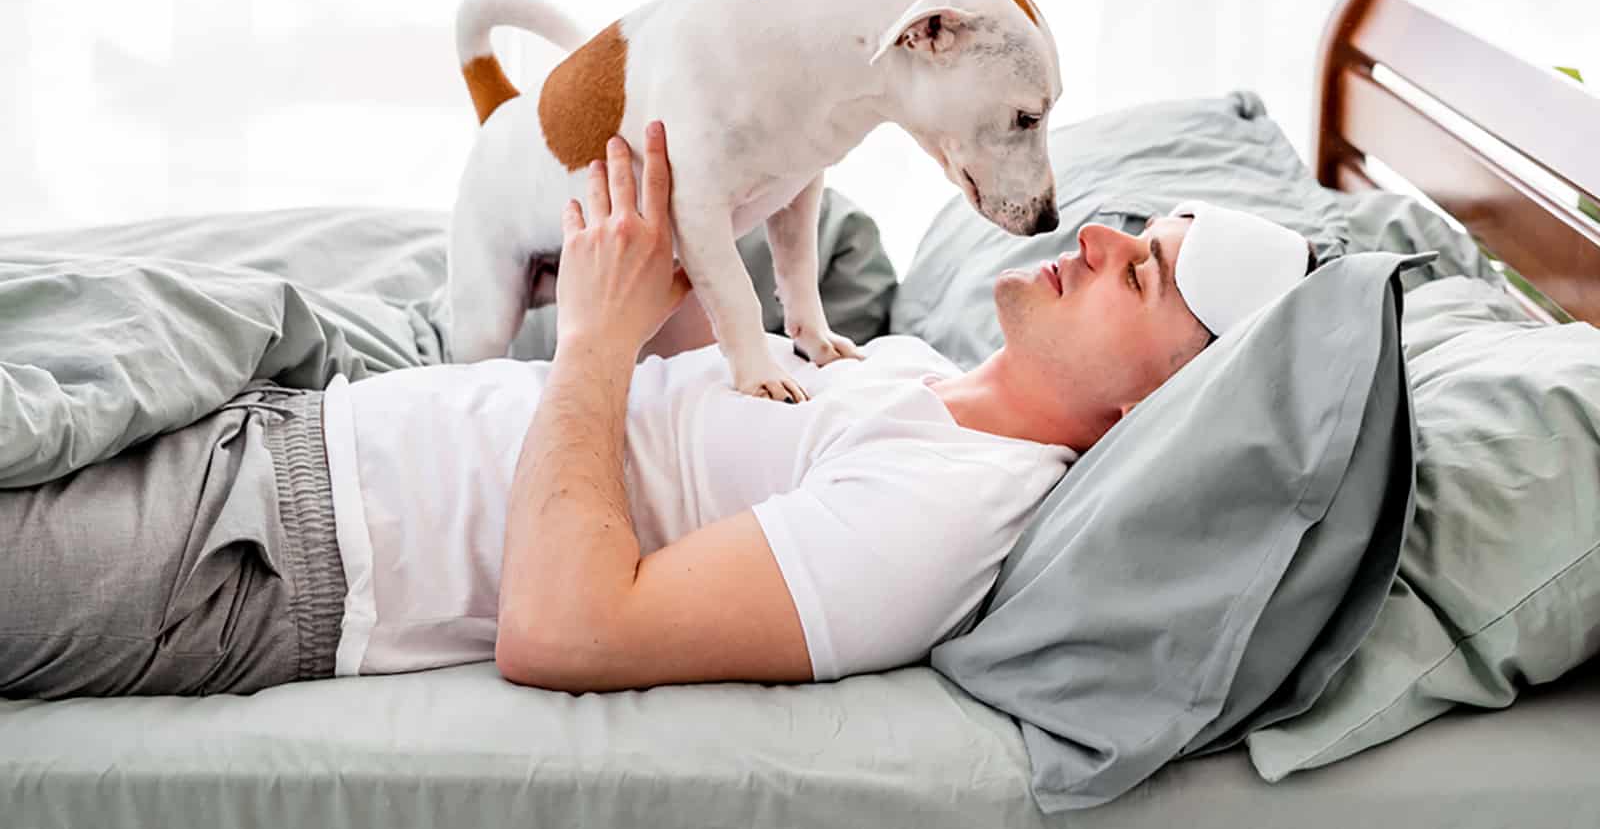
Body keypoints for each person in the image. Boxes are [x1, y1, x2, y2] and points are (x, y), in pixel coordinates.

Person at [0, 122, 1314, 700]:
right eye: (1137, 229)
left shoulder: (949, 510)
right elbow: (689, 398)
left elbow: (569, 627)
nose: (1097, 241)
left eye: (1144, 273)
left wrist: (595, 336)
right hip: (307, 404)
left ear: (1164, 399)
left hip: (276, 546)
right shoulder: (906, 364)